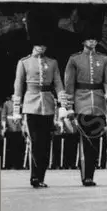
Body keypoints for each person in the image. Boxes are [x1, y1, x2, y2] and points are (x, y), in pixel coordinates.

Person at [13, 10, 67, 188]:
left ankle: (41, 177)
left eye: (44, 45)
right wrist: (16, 110)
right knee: (35, 142)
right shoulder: (24, 62)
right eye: (39, 44)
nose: (42, 47)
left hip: (48, 106)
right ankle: (34, 177)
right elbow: (18, 87)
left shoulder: (52, 63)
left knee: (45, 144)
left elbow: (58, 84)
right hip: (30, 106)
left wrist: (63, 104)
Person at [63, 9, 107, 187]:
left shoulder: (104, 59)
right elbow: (69, 84)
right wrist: (68, 106)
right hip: (81, 102)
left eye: (94, 39)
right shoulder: (74, 59)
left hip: (99, 103)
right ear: (84, 41)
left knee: (94, 141)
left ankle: (90, 174)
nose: (92, 42)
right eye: (89, 39)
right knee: (86, 140)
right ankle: (86, 176)